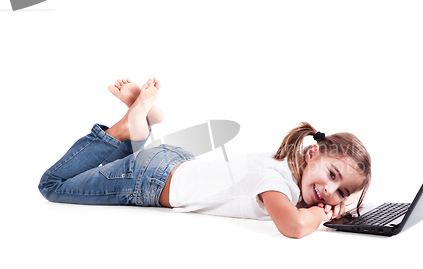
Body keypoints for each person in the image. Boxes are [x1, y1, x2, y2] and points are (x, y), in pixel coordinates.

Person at [39, 78, 372, 238]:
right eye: (331, 175)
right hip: (150, 182)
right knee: (52, 185)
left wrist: (324, 208)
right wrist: (317, 215)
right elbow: (294, 227)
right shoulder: (276, 182)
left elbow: (295, 208)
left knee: (142, 158)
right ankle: (122, 131)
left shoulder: (285, 165)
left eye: (342, 192)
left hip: (175, 162)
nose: (330, 191)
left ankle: (144, 122)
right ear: (312, 152)